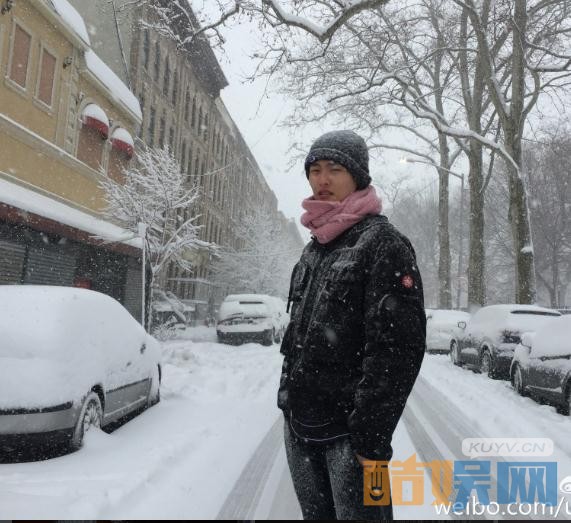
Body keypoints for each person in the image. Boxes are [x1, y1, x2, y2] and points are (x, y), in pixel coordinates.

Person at [277, 130, 426, 520]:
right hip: (301, 429)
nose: (322, 180)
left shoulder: (384, 244)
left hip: (353, 440)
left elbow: (398, 351)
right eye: (315, 170)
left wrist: (370, 437)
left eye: (334, 169)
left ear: (357, 176)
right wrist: (286, 399)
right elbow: (297, 335)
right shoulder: (314, 248)